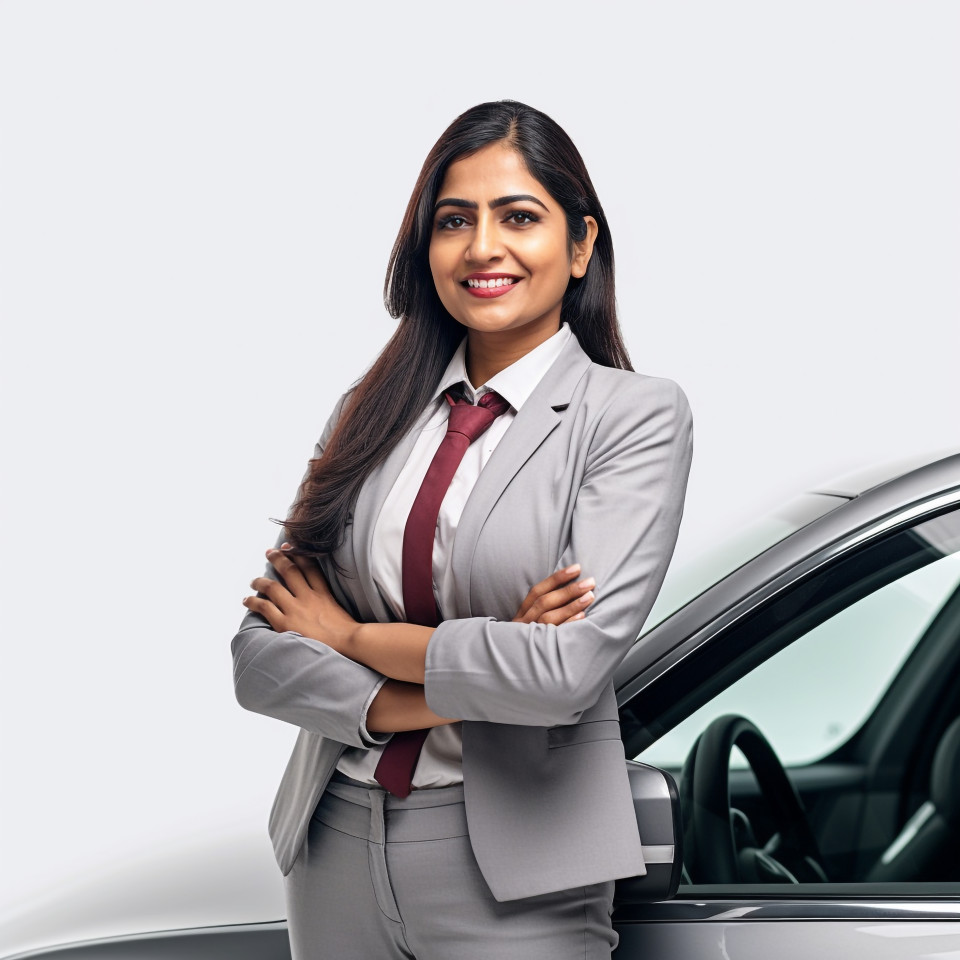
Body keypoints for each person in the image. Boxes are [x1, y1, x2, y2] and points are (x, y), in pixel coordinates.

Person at [233, 99, 693, 960]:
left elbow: (561, 673)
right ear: (427, 248)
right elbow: (260, 655)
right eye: (454, 221)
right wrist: (422, 688)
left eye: (519, 216)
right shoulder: (367, 413)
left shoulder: (632, 417)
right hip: (334, 842)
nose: (484, 247)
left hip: (518, 869)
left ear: (581, 244)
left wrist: (351, 634)